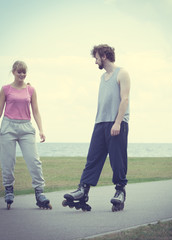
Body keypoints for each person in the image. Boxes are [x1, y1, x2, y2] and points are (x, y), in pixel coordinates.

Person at [63, 44, 130, 212]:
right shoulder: (102, 77)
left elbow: (125, 99)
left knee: (117, 160)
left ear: (104, 56)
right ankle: (83, 191)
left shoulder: (122, 73)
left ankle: (120, 191)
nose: (95, 61)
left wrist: (117, 122)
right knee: (93, 158)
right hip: (100, 123)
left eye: (96, 58)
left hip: (116, 123)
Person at [0, 61, 52, 210]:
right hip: (8, 127)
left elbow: (36, 111)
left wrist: (41, 129)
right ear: (13, 72)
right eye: (19, 72)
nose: (22, 75)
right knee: (7, 162)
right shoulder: (5, 89)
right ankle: (9, 189)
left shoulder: (31, 90)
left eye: (24, 72)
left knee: (34, 161)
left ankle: (39, 192)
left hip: (26, 128)